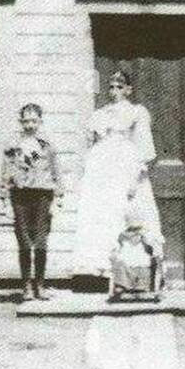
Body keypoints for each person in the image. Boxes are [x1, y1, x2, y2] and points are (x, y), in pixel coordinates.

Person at [71, 70, 163, 287]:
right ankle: (102, 269)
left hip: (125, 167)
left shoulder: (136, 112)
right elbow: (91, 143)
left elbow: (144, 148)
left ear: (128, 90)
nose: (114, 92)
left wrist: (135, 179)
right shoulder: (100, 114)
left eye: (119, 87)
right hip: (102, 171)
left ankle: (132, 273)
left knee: (127, 214)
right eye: (111, 87)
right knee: (102, 215)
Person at [1, 103, 62, 301]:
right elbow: (6, 171)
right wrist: (5, 199)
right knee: (24, 241)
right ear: (21, 122)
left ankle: (40, 285)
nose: (30, 125)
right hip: (20, 195)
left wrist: (58, 199)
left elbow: (56, 172)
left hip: (43, 195)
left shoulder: (46, 145)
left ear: (40, 121)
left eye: (34, 121)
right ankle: (26, 285)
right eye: (26, 121)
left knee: (41, 240)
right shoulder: (13, 145)